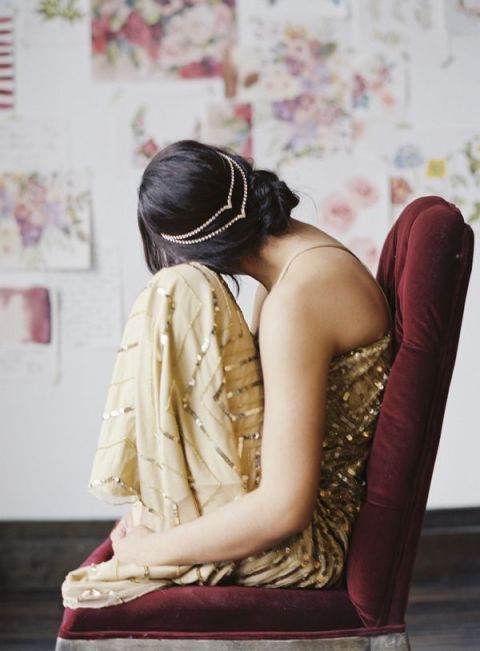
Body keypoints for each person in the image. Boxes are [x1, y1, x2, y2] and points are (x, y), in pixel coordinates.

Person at [61, 140, 393, 609]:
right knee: (177, 288)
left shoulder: (296, 301)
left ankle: (158, 518)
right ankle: (158, 509)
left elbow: (284, 510)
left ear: (190, 246)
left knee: (175, 290)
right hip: (294, 517)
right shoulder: (298, 260)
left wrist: (148, 550)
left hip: (305, 549)